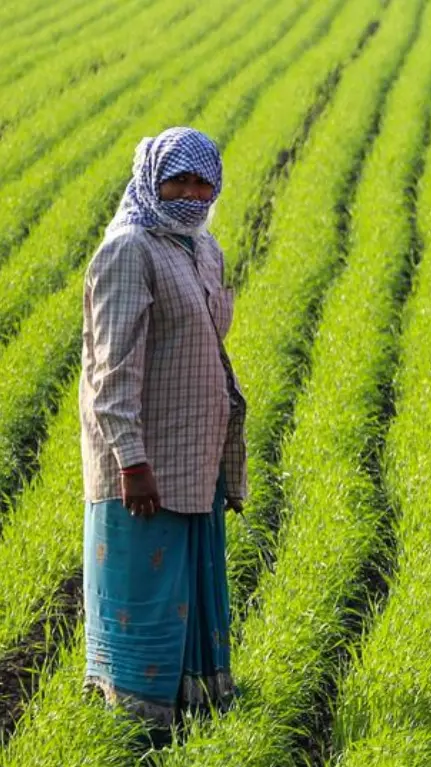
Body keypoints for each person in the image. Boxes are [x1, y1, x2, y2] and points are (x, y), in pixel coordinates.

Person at [79, 126, 246, 728]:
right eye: (178, 180)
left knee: (187, 585)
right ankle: (133, 723)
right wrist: (132, 460)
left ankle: (192, 709)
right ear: (152, 180)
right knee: (146, 595)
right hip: (145, 461)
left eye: (204, 182)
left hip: (193, 450)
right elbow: (110, 368)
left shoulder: (203, 249)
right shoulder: (130, 250)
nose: (193, 193)